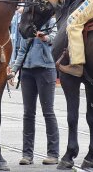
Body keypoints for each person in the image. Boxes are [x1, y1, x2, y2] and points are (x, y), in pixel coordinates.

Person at [9, 17, 59, 165]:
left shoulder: (50, 21)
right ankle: (27, 154)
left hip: (46, 70)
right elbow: (22, 50)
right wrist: (14, 70)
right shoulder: (26, 24)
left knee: (48, 112)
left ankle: (53, 154)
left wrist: (45, 37)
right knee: (28, 114)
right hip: (27, 72)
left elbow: (55, 39)